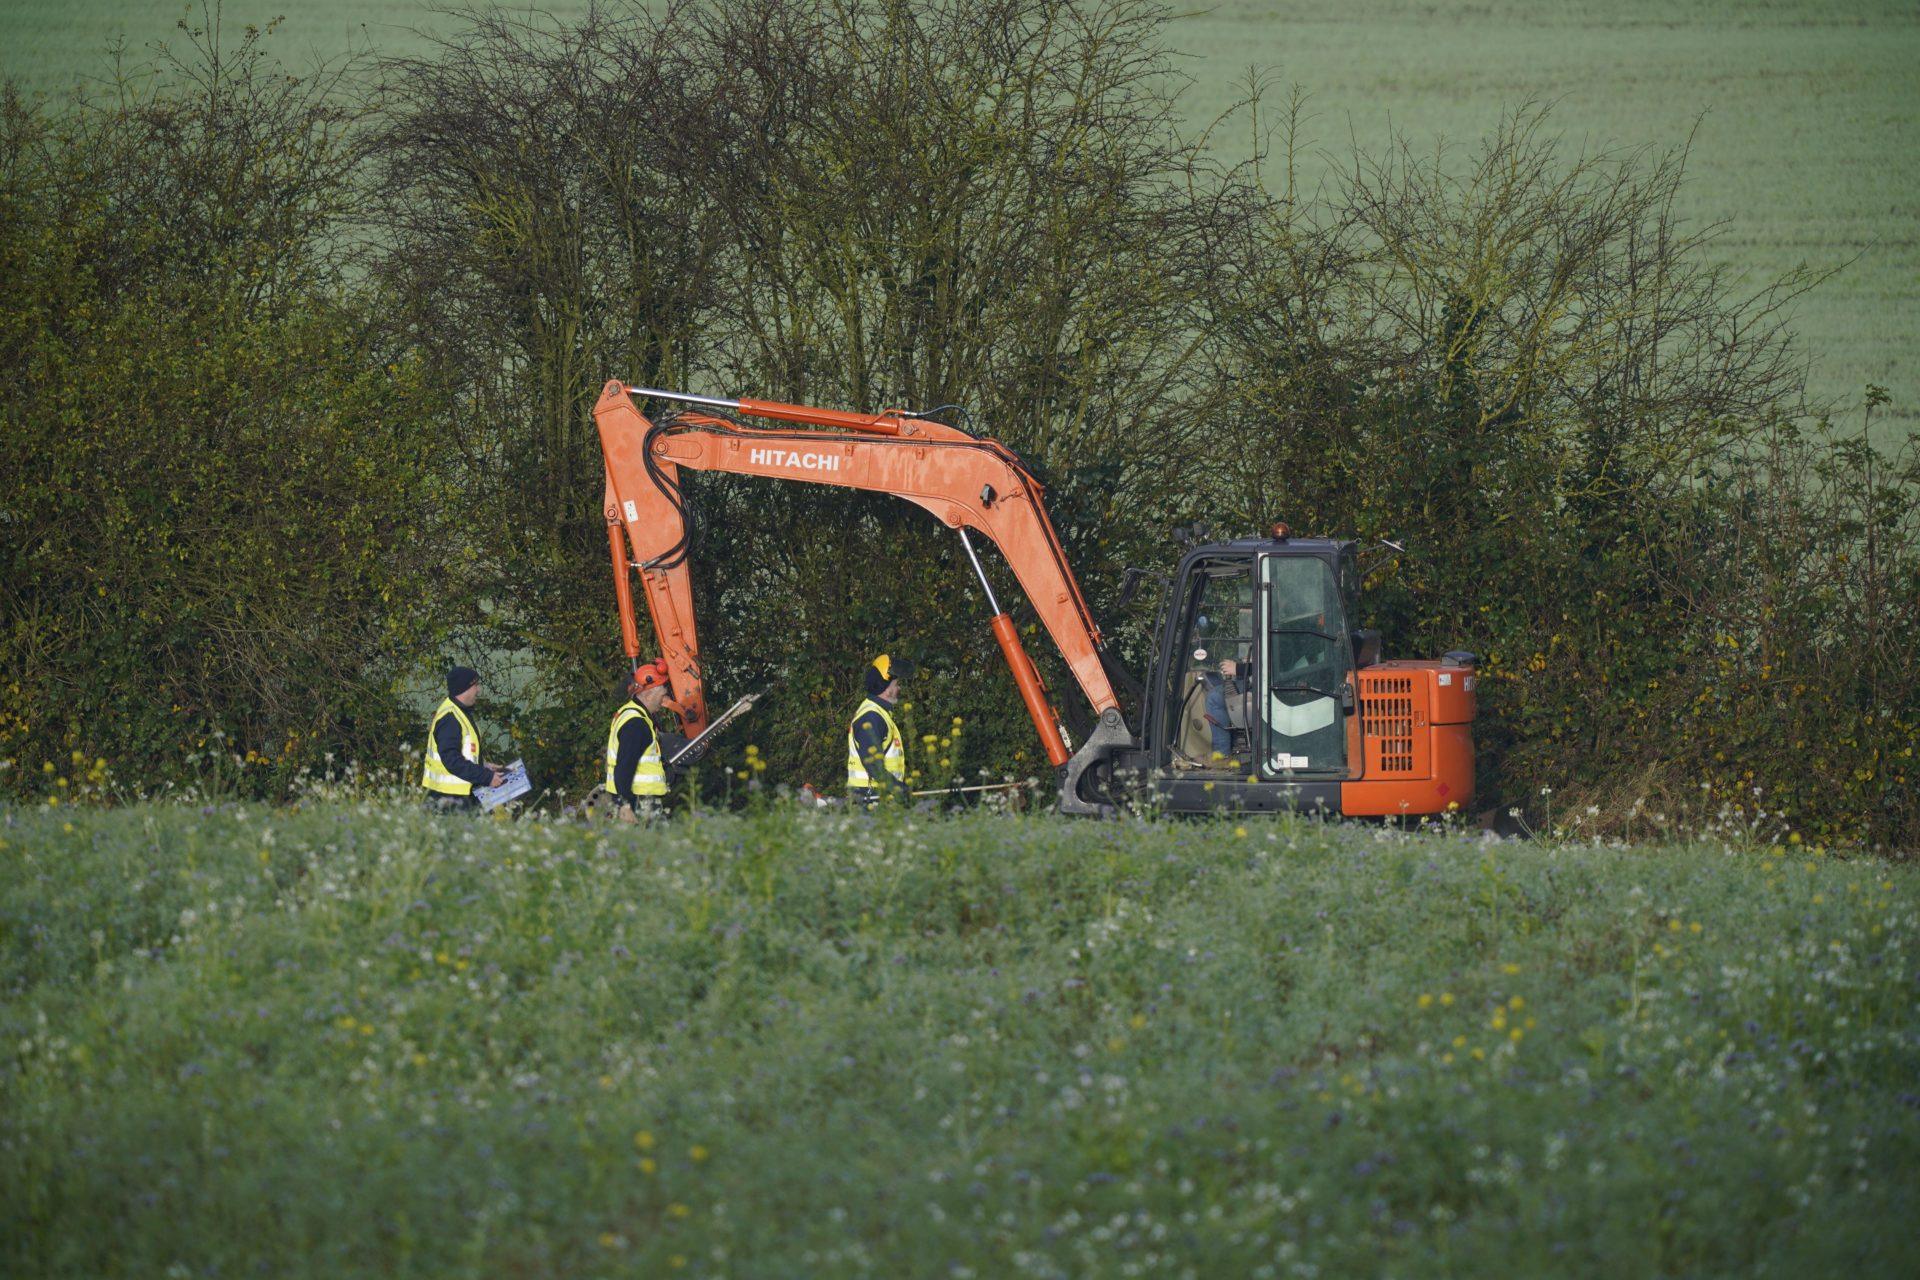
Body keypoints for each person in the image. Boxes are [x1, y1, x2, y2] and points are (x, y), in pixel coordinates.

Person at [421, 666, 506, 813]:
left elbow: (461, 754)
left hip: (457, 798)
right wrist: (486, 776)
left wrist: (482, 765)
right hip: (449, 801)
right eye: (475, 686)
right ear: (464, 689)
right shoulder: (450, 718)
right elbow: (451, 759)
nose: (478, 690)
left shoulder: (459, 712)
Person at [606, 658, 673, 823]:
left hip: (638, 800)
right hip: (639, 802)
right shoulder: (636, 724)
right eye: (662, 696)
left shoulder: (632, 714)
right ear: (649, 694)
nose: (664, 701)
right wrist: (625, 805)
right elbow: (624, 767)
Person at [847, 653, 913, 806]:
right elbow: (873, 764)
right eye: (896, 684)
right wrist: (896, 787)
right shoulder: (872, 716)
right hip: (871, 797)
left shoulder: (879, 713)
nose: (899, 688)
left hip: (879, 795)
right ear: (886, 689)